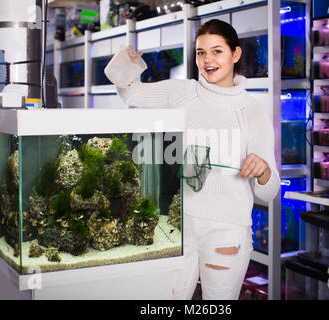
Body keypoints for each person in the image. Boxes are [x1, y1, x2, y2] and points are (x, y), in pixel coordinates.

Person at [106, 19, 281, 300]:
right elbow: (133, 93)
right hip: (179, 224)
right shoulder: (184, 93)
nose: (207, 60)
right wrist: (126, 65)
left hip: (228, 233)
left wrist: (262, 172)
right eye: (201, 53)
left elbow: (270, 192)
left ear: (235, 54)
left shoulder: (252, 112)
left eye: (217, 51)